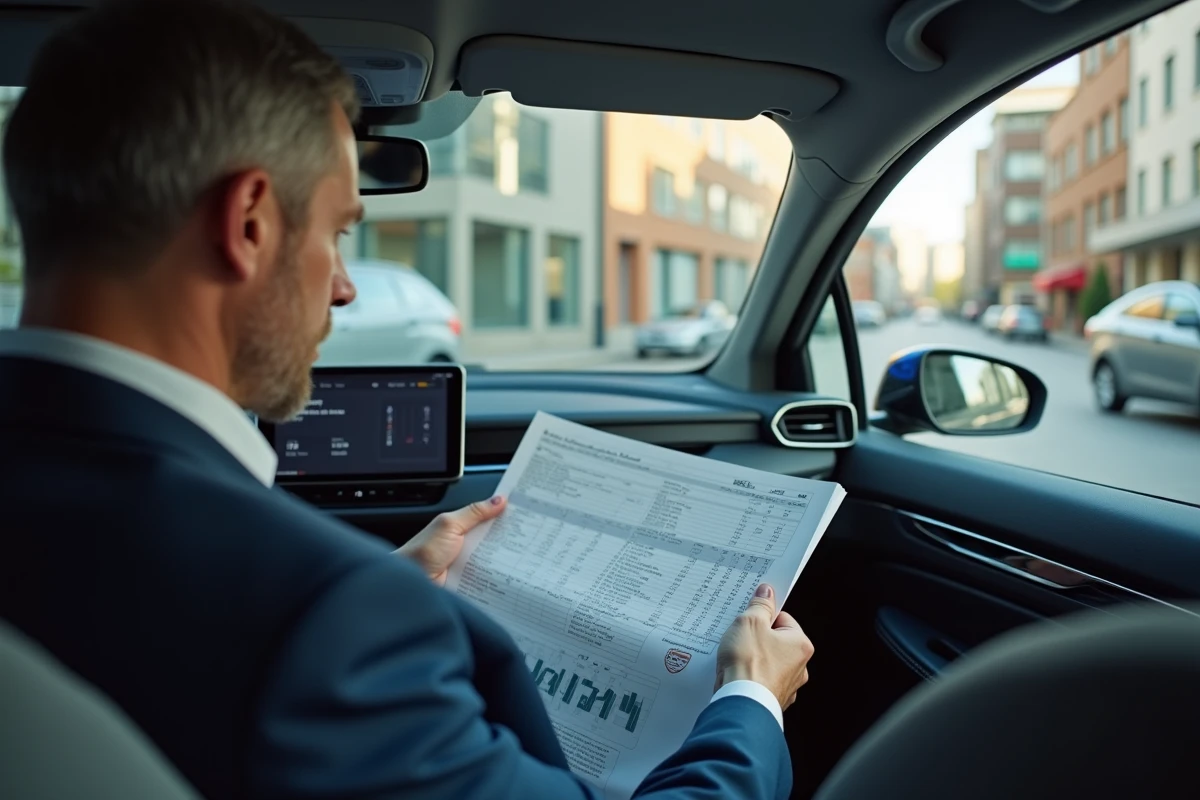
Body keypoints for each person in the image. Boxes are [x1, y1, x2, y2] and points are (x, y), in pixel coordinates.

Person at [0, 1, 815, 798]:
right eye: (338, 233)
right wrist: (747, 701)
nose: (346, 289)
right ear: (248, 222)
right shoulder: (323, 621)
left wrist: (370, 588)